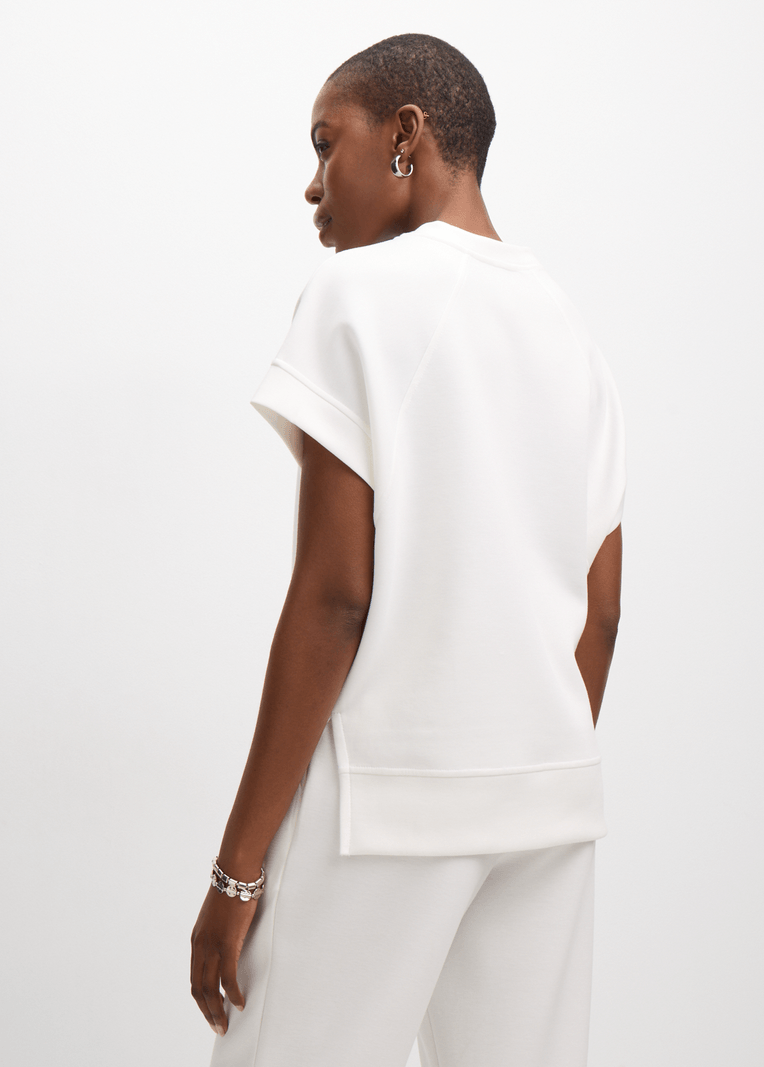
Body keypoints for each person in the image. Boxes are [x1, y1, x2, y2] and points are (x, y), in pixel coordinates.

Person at [190, 32, 625, 1067]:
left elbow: (336, 597)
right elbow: (600, 610)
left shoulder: (358, 293)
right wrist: (514, 765)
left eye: (323, 143)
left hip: (382, 802)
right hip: (547, 801)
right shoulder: (571, 332)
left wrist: (236, 870)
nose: (311, 186)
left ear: (405, 134)